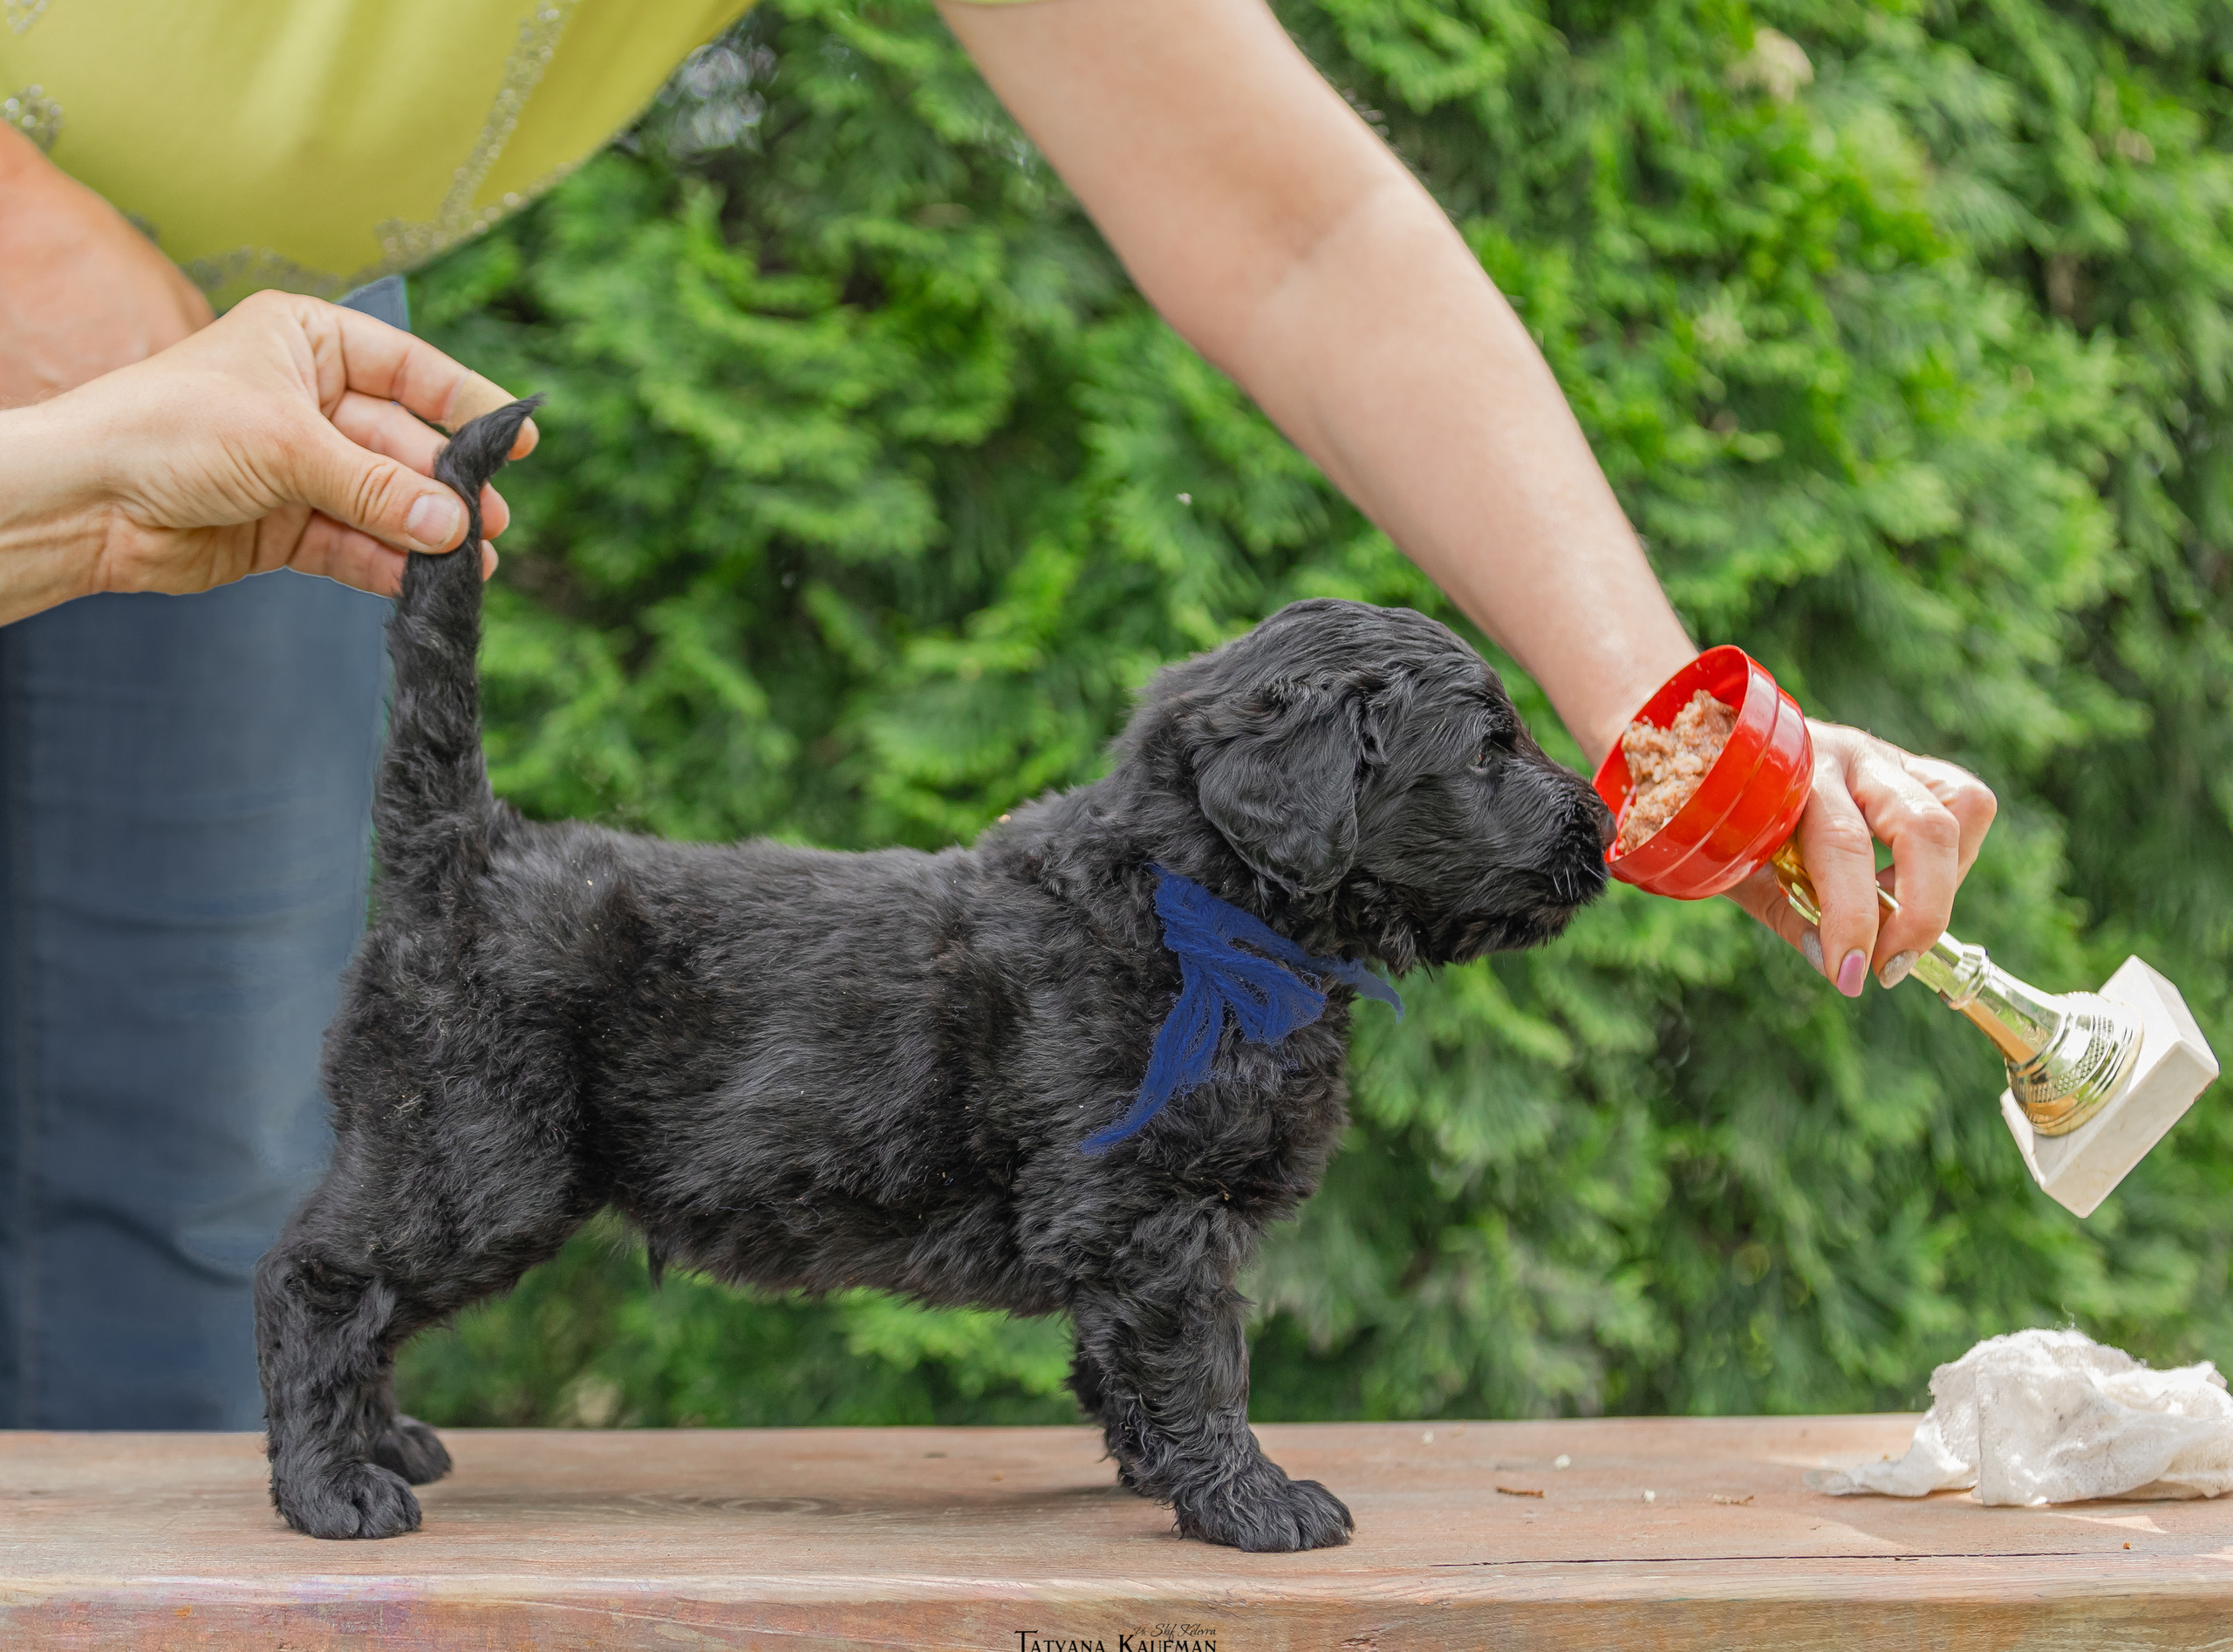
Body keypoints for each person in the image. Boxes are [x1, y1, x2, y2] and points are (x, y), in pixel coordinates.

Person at [0, 0, 1994, 1430]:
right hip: (127, 318)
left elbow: (1295, 228)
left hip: (230, 349)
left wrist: (1671, 732)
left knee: (177, 1206)